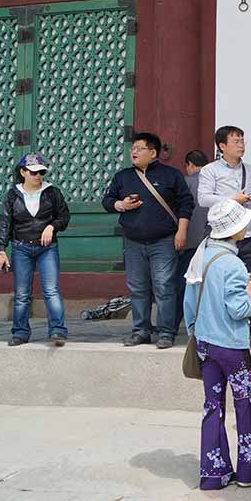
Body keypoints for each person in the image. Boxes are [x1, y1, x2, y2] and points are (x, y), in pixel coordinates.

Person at [183, 199, 251, 493]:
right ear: (235, 230)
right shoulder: (234, 265)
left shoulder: (202, 254)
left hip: (205, 342)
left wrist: (196, 331)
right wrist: (249, 293)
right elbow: (239, 310)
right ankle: (250, 471)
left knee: (212, 407)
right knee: (244, 405)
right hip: (232, 348)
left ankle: (213, 473)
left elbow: (189, 303)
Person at [103, 132, 193, 349]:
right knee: (138, 288)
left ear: (153, 153)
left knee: (164, 287)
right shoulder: (123, 177)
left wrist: (181, 232)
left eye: (139, 148)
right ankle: (141, 330)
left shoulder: (171, 175)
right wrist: (121, 205)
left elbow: (186, 203)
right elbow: (107, 201)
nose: (133, 151)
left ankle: (166, 331)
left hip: (163, 241)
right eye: (132, 148)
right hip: (133, 242)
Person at [197, 126, 251, 350]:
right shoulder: (210, 170)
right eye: (236, 141)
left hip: (247, 234)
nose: (241, 145)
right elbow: (203, 199)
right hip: (222, 238)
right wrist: (233, 198)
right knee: (219, 284)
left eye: (242, 141)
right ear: (222, 146)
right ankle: (220, 332)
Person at [0, 153, 70, 347]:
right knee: (22, 294)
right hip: (21, 248)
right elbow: (6, 222)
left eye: (41, 172)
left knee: (51, 291)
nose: (38, 176)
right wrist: (2, 250)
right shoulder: (13, 194)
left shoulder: (52, 192)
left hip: (47, 248)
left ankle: (57, 331)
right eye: (33, 172)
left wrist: (52, 226)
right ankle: (20, 332)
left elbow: (64, 216)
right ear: (23, 172)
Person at [175, 150, 210, 335]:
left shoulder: (186, 183)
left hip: (189, 242)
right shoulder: (214, 181)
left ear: (189, 164)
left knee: (184, 284)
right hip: (211, 243)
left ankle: (176, 323)